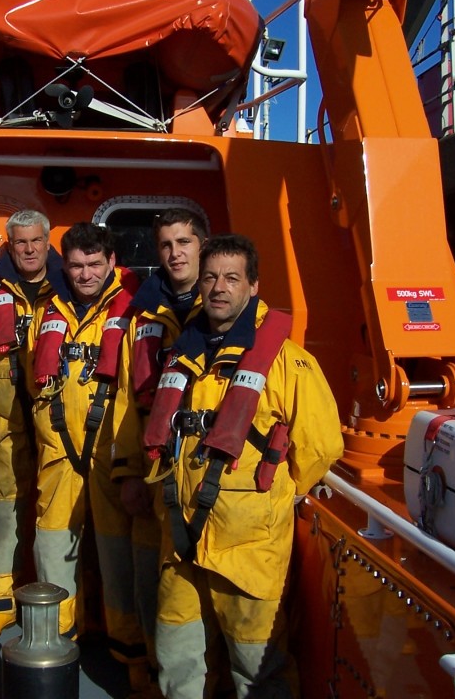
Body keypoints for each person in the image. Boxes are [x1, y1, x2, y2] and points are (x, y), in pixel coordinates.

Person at [142, 234, 344, 699]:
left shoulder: (289, 363)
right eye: (210, 277)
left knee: (258, 673)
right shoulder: (181, 354)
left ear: (253, 287)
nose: (219, 287)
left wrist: (271, 499)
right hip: (181, 541)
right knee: (178, 664)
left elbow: (321, 446)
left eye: (232, 278)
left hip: (250, 550)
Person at [28, 222, 143, 666]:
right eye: (76, 265)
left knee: (119, 562)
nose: (86, 274)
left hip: (110, 453)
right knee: (53, 554)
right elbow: (33, 371)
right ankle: (58, 652)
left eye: (95, 264)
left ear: (112, 263)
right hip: (57, 451)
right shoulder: (48, 310)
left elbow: (136, 385)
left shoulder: (134, 312)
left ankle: (130, 664)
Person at [112, 208, 207, 696]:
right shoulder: (144, 317)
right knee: (154, 590)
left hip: (213, 485)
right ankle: (152, 677)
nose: (175, 253)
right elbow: (131, 397)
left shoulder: (230, 313)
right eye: (166, 244)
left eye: (184, 242)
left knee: (206, 599)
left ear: (202, 245)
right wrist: (128, 470)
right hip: (155, 476)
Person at [0, 209, 64, 640]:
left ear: (47, 243)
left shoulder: (66, 289)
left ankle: (61, 602)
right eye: (20, 242)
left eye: (35, 241)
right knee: (1, 511)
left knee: (56, 512)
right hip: (5, 424)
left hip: (57, 422)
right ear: (9, 246)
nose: (28, 249)